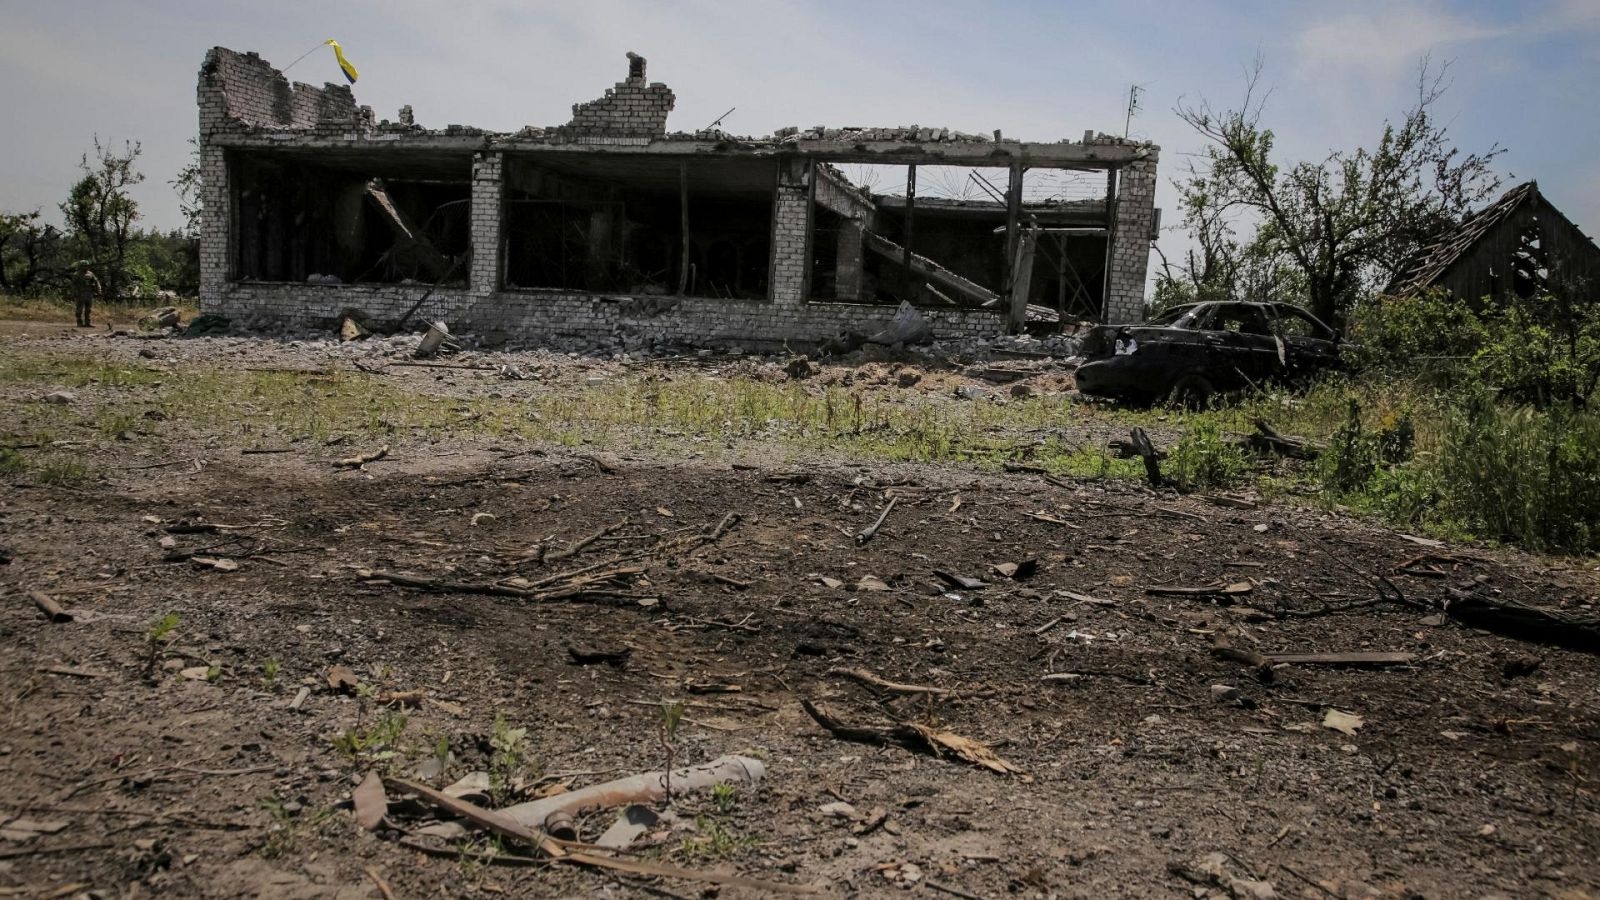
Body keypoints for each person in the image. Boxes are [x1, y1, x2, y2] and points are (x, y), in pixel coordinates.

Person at [72, 261, 101, 328]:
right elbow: (74, 285)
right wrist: (74, 293)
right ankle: (79, 322)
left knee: (88, 309)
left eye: (86, 266)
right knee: (79, 309)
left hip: (89, 293)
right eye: (84, 266)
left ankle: (87, 323)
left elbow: (96, 281)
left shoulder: (90, 274)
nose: (85, 267)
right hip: (80, 293)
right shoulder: (77, 274)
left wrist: (99, 290)